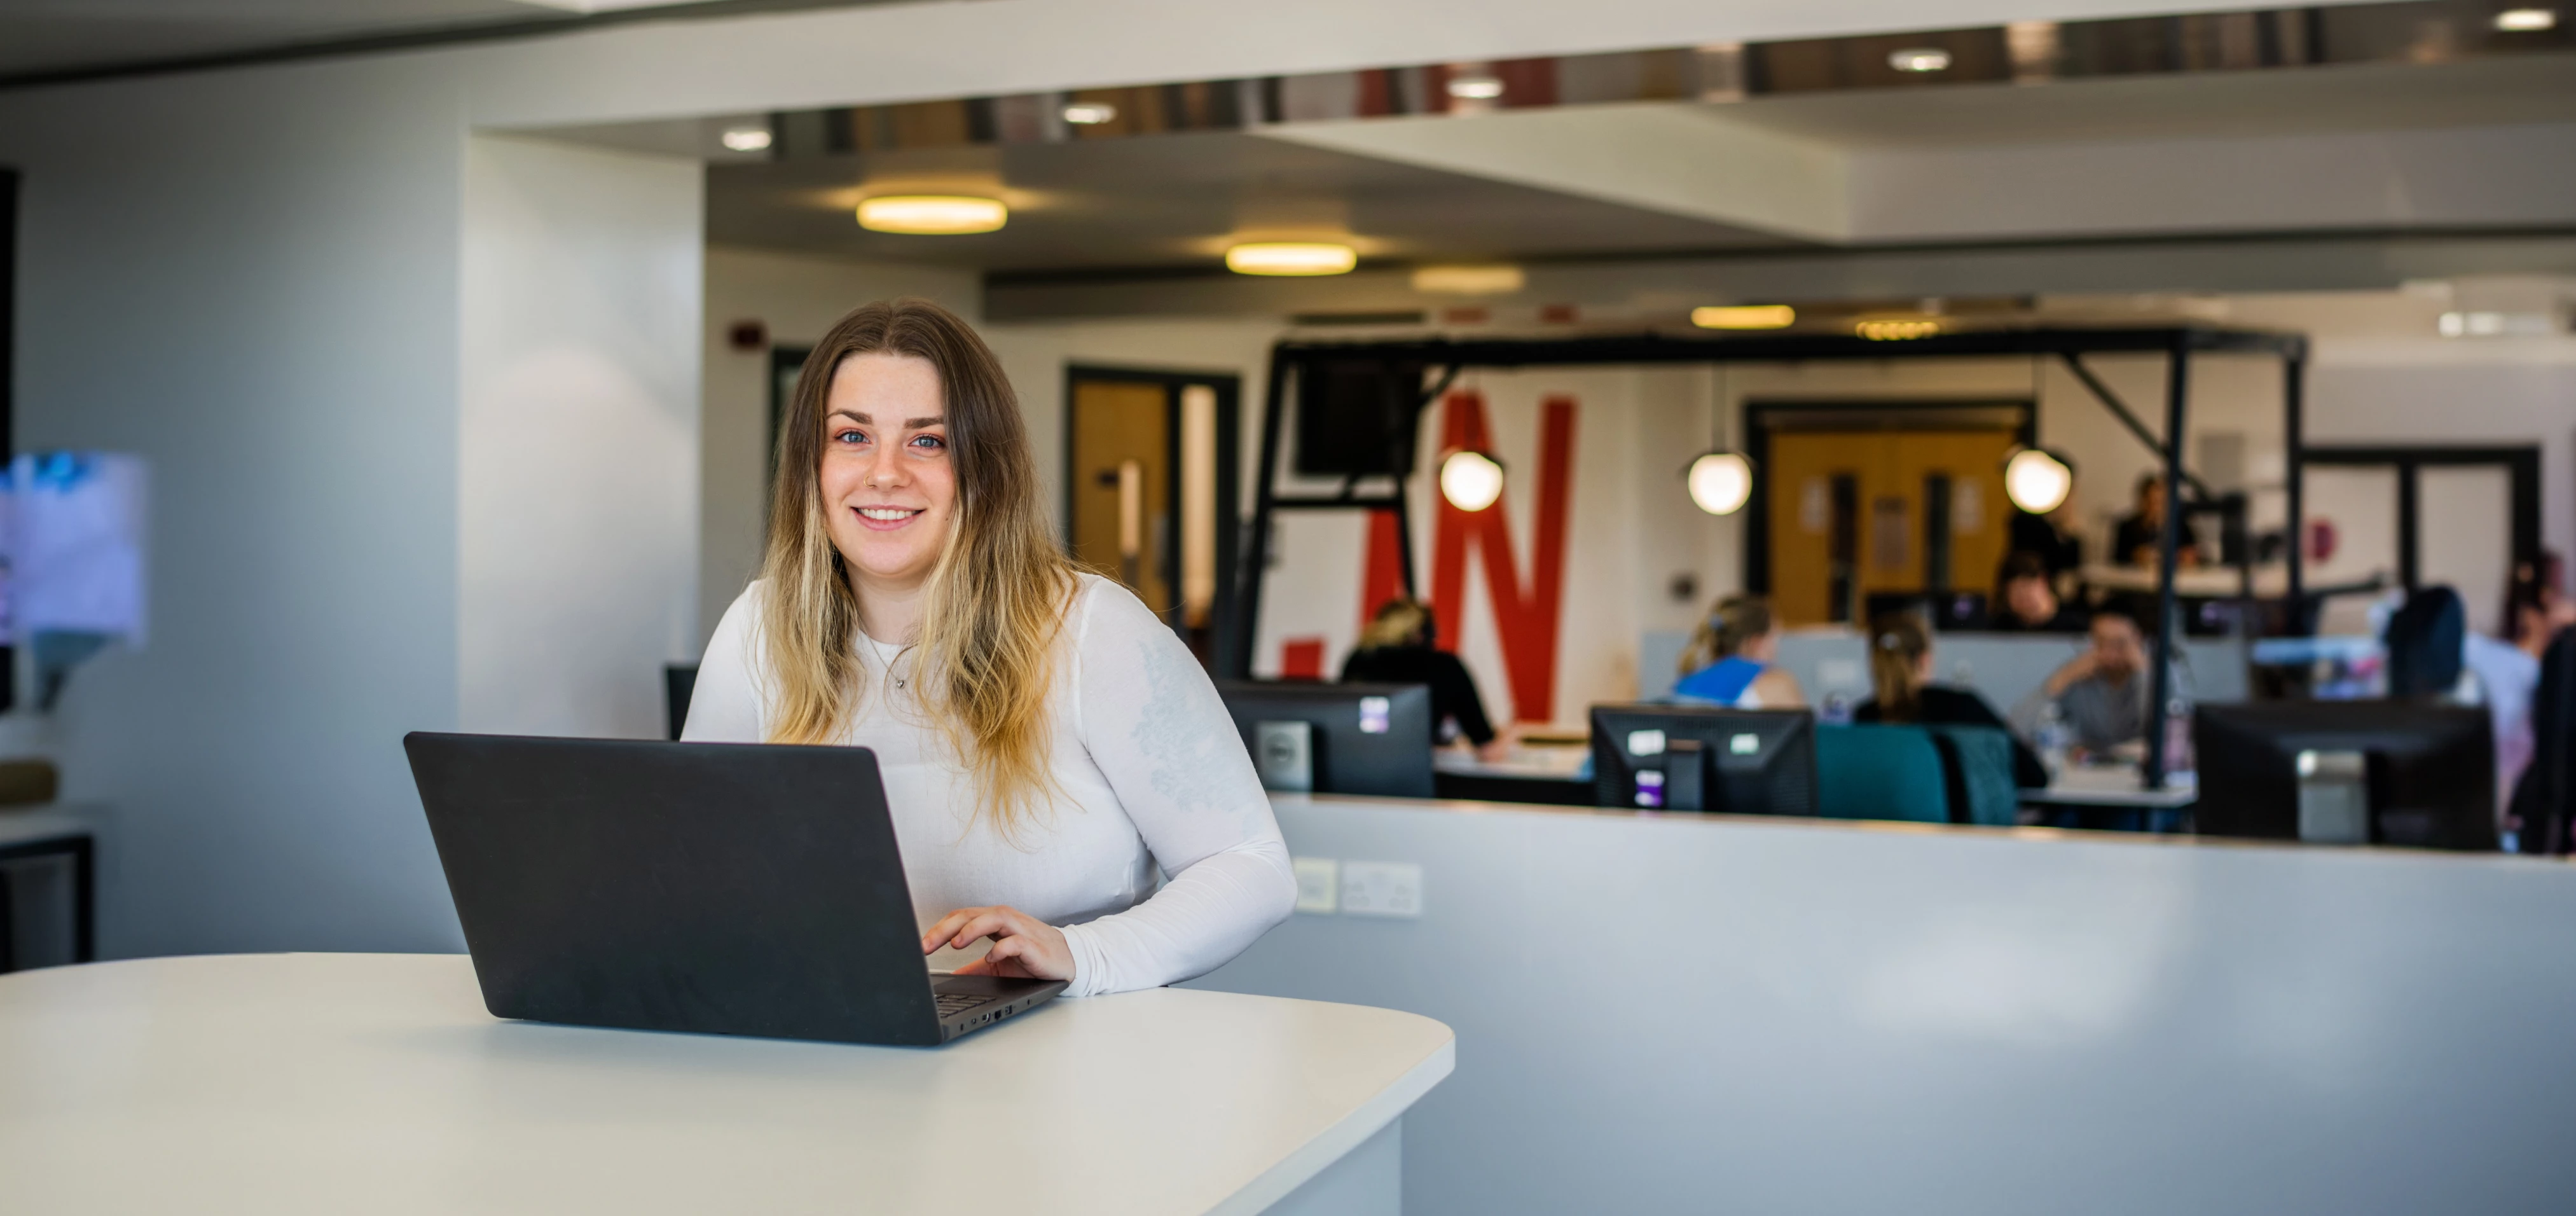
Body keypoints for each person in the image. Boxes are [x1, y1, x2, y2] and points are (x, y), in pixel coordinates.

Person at [683, 298, 1294, 997]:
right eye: (852, 437)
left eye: (928, 441)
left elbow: (1250, 866)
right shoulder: (758, 627)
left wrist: (1082, 953)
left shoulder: (1092, 631)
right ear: (810, 466)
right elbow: (702, 863)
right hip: (833, 1044)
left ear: (986, 468)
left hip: (1067, 1057)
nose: (884, 473)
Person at [1854, 614, 2048, 787]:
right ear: (1925, 659)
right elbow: (2035, 776)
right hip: (1956, 827)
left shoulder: (1862, 717)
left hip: (1879, 828)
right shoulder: (1964, 707)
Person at [1341, 597, 1509, 761]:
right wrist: (1511, 735)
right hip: (1410, 775)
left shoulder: (1358, 659)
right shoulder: (1445, 666)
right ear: (1424, 633)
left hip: (1351, 767)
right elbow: (1488, 750)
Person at [2015, 610, 2187, 760]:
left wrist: (2144, 677)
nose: (2109, 654)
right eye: (2100, 643)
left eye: (2120, 644)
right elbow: (2018, 730)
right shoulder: (2079, 677)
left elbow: (2163, 739)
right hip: (2086, 777)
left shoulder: (2158, 675)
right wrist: (2060, 680)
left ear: (2138, 640)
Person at [1673, 594, 1807, 708]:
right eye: (1775, 638)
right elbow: (1804, 736)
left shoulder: (1685, 684)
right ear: (1757, 643)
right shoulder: (1776, 683)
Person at [2111, 473, 2201, 569]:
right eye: (2152, 502)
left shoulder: (2182, 527)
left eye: (2161, 502)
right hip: (2135, 581)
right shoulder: (2127, 527)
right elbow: (2116, 561)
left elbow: (2196, 555)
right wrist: (2133, 557)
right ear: (2143, 501)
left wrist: (2186, 557)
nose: (2156, 508)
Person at [1990, 551, 2089, 633]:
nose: (2022, 596)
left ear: (2043, 581)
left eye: (2026, 587)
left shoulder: (2076, 626)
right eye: (2014, 592)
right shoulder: (2002, 628)